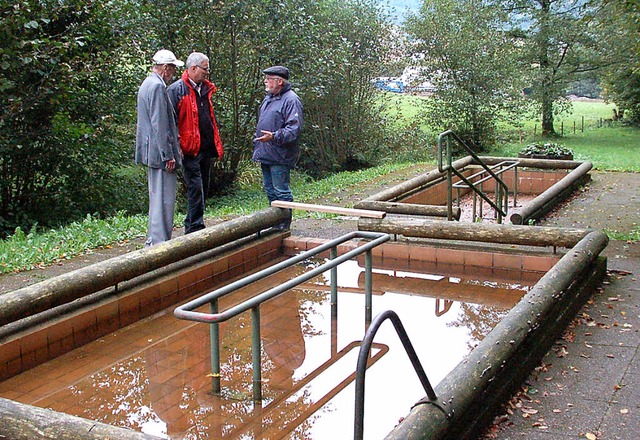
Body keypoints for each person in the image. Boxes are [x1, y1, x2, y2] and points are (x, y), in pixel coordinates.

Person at [167, 52, 224, 234]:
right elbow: (169, 122)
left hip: (206, 148)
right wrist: (175, 148)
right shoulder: (176, 90)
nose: (207, 73)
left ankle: (194, 224)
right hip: (189, 150)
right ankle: (194, 229)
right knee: (195, 189)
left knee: (203, 189)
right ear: (193, 68)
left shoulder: (205, 89)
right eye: (205, 69)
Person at [135, 49, 184, 246]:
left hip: (151, 151)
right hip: (159, 153)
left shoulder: (148, 83)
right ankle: (159, 242)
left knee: (157, 195)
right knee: (163, 199)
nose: (174, 72)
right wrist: (168, 155)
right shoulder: (156, 87)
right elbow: (160, 124)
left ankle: (155, 239)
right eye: (172, 68)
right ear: (165, 68)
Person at [252, 66, 303, 230]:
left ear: (279, 81)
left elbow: (294, 130)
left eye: (269, 78)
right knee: (270, 190)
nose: (265, 81)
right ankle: (275, 224)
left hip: (280, 155)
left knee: (281, 191)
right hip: (266, 152)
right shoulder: (269, 98)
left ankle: (284, 225)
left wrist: (274, 136)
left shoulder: (291, 100)